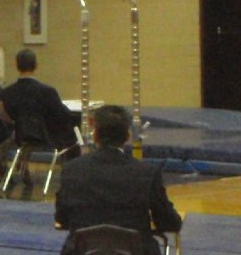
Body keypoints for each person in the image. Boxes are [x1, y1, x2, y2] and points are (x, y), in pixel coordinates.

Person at [55, 105, 183, 255]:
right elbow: (169, 222)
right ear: (127, 136)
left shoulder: (72, 169)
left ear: (95, 135)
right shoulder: (147, 172)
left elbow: (62, 218)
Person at [1, 48, 80, 154]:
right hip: (46, 136)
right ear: (36, 66)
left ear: (16, 66)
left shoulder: (7, 92)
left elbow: (10, 116)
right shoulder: (47, 91)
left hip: (21, 136)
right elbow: (63, 115)